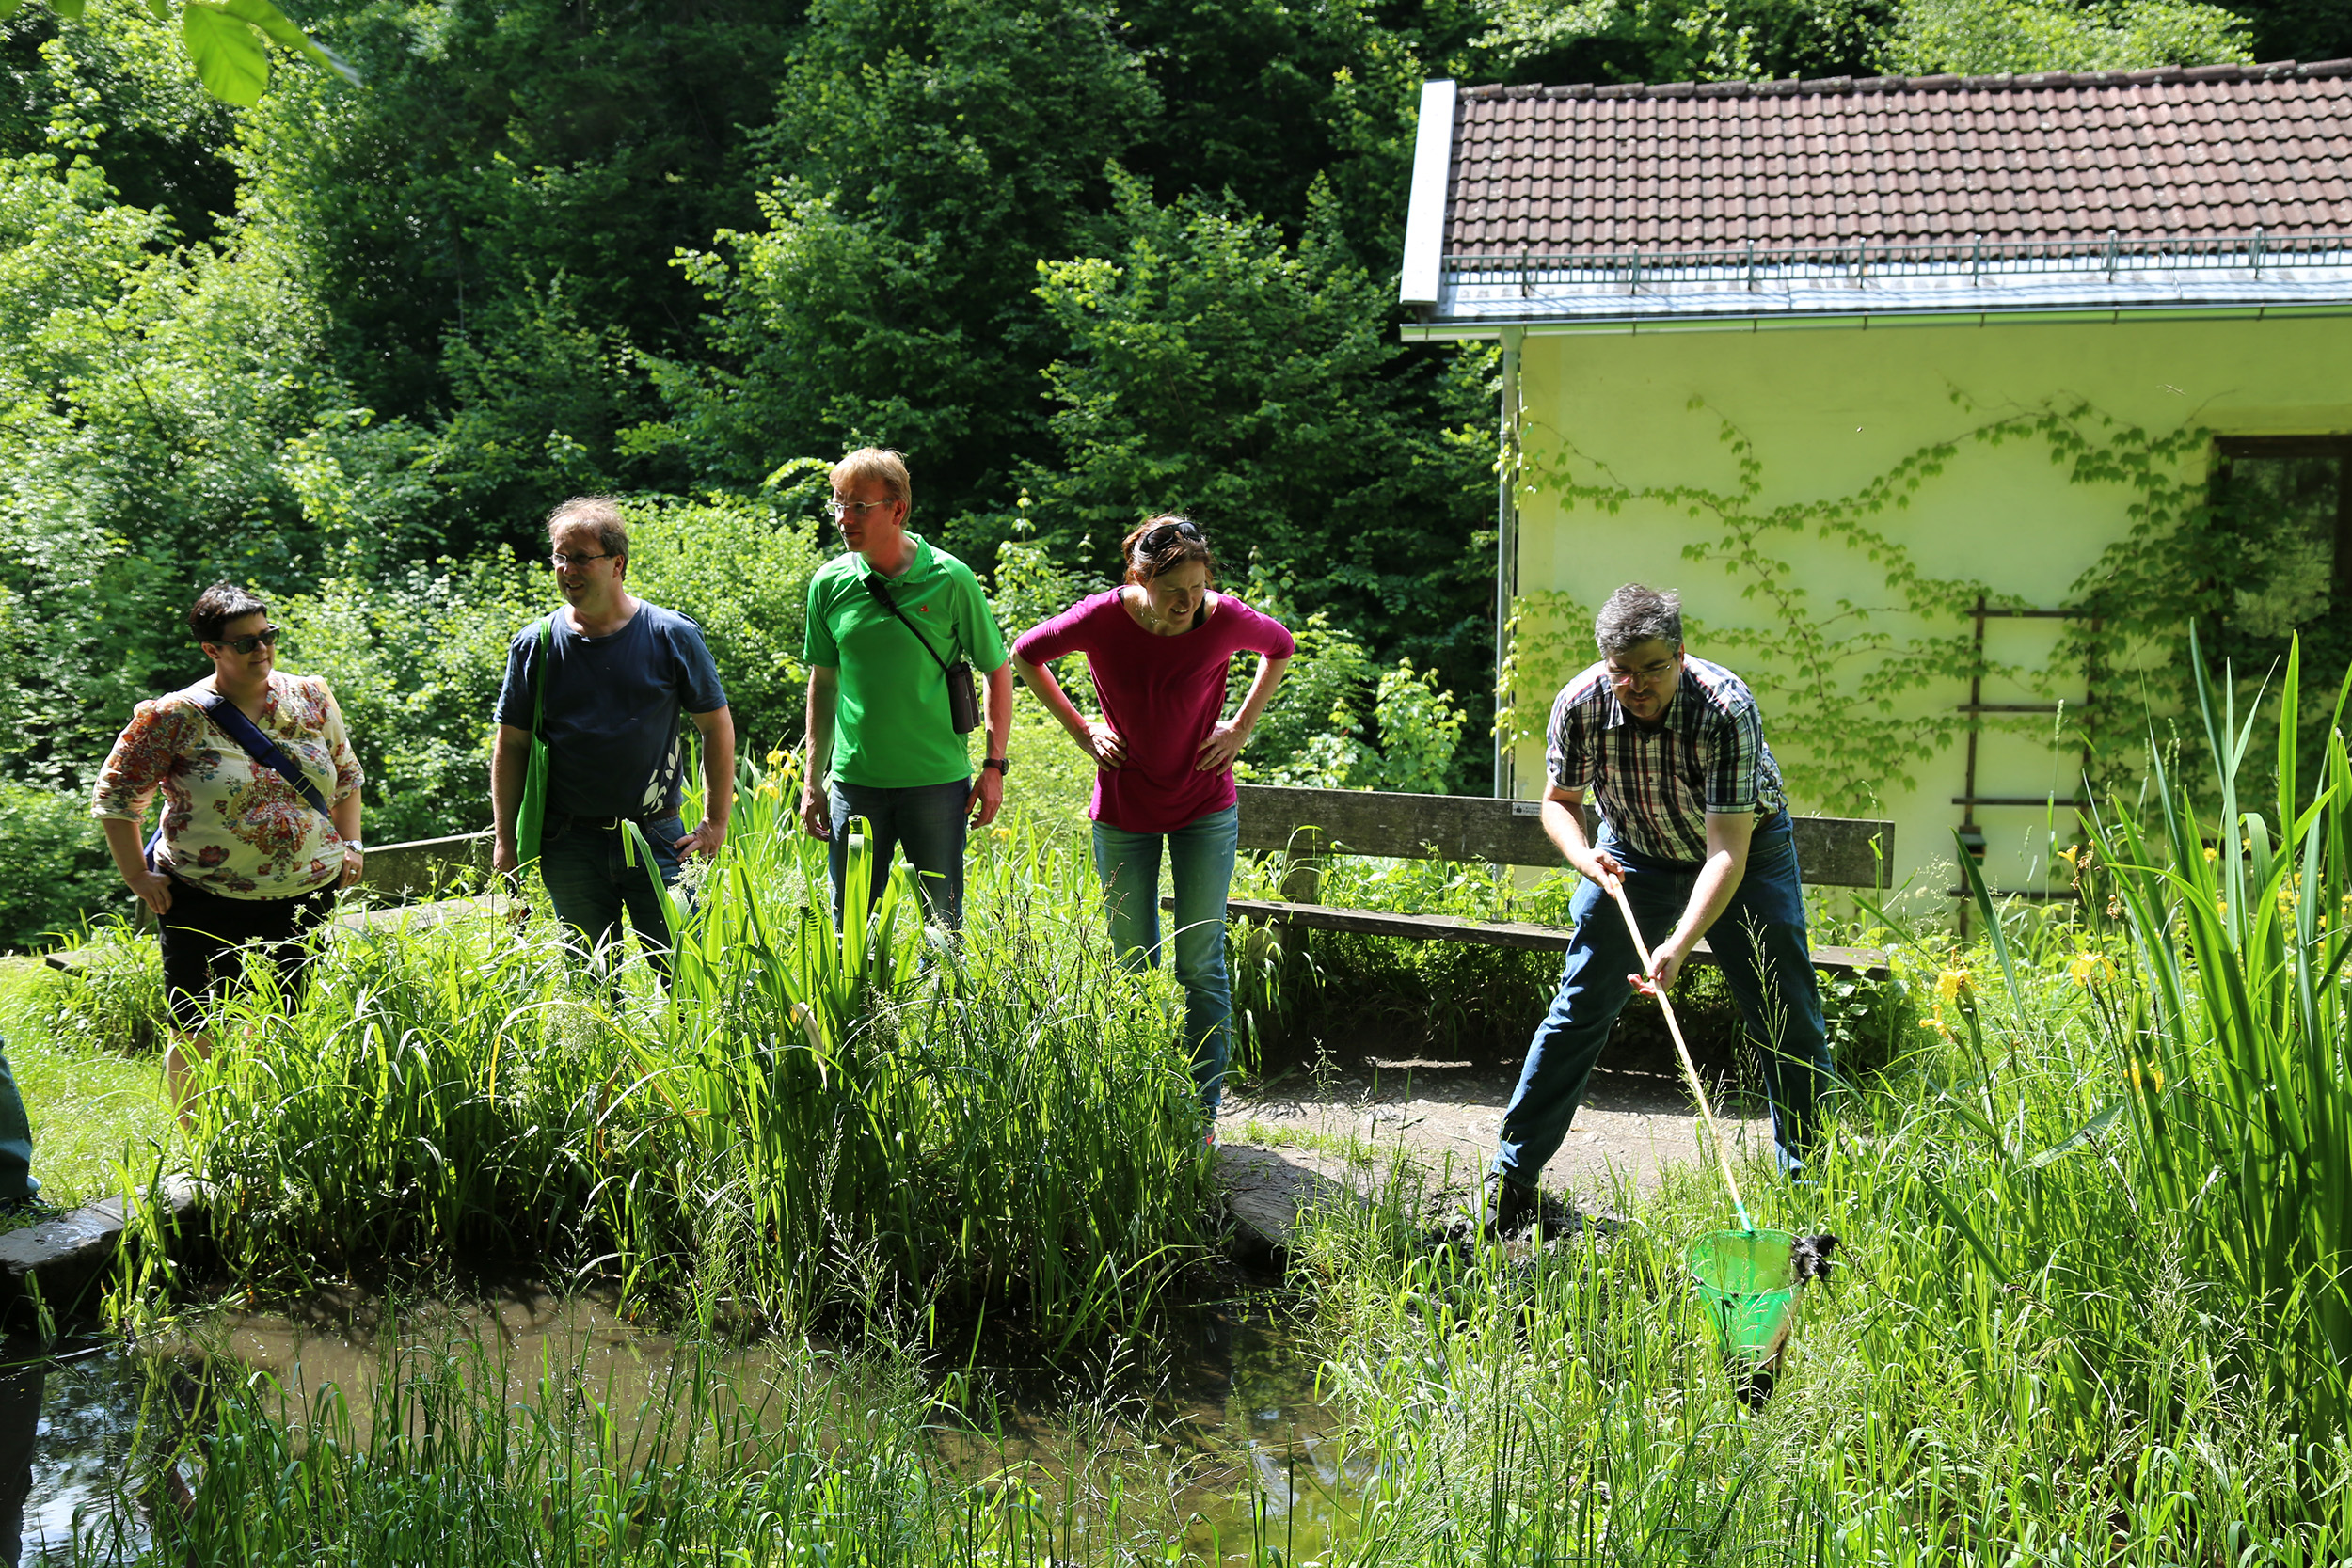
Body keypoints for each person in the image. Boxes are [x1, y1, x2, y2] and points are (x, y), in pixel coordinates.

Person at [1481, 583, 1834, 1235]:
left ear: (1679, 652)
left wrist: (1679, 941)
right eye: (1622, 670)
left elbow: (1726, 849)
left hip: (1744, 853)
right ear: (1605, 662)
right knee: (1579, 1008)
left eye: (1652, 667)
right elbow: (1559, 801)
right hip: (1631, 853)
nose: (1636, 684)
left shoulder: (1725, 708)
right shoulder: (1581, 703)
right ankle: (1511, 1181)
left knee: (1785, 1012)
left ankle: (1813, 1195)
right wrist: (1584, 856)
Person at [1012, 516, 1293, 1126]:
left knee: (1200, 963)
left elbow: (1281, 647)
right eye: (1174, 591)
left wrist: (1240, 727)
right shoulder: (1102, 618)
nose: (1187, 602)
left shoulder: (1223, 618)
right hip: (1123, 810)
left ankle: (1200, 1116)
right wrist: (1082, 728)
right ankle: (1142, 1111)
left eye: (1196, 587)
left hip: (1204, 807)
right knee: (1133, 962)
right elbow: (1026, 654)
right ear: (1139, 580)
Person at [92, 584, 365, 1117]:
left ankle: (270, 1132)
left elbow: (347, 776)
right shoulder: (174, 716)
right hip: (203, 895)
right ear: (212, 650)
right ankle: (201, 1150)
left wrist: (350, 843)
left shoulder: (310, 696)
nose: (261, 649)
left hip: (304, 894)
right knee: (196, 1025)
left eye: (268, 636)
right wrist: (137, 878)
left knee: (285, 1020)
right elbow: (118, 800)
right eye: (244, 643)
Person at [490, 498, 735, 973]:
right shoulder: (535, 645)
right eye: (559, 557)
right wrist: (506, 840)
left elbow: (716, 726)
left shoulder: (670, 634)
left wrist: (715, 822)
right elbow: (512, 745)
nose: (567, 569)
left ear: (617, 562)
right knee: (591, 985)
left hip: (658, 836)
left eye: (581, 557)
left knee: (689, 979)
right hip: (569, 843)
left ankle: (688, 1051)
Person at [799, 449, 1011, 929]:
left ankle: (941, 1006)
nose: (843, 519)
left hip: (936, 783)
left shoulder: (950, 579)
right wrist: (814, 780)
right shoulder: (829, 583)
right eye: (837, 504)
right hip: (856, 783)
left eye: (859, 506)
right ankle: (857, 1007)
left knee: (943, 923)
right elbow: (824, 682)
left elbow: (997, 670)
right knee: (848, 923)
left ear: (897, 510)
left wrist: (994, 766)